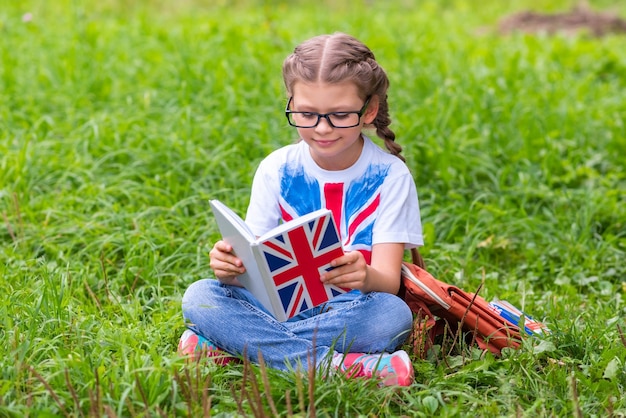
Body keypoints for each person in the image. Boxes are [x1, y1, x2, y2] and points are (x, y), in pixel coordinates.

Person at [179, 32, 423, 387]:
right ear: (291, 103)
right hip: (278, 306)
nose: (322, 128)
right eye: (307, 114)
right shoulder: (277, 168)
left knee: (393, 316)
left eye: (340, 115)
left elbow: (387, 282)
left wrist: (364, 276)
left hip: (354, 309)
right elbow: (256, 263)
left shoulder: (390, 176)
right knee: (201, 296)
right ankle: (334, 366)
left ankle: (235, 344)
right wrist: (229, 268)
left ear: (369, 110)